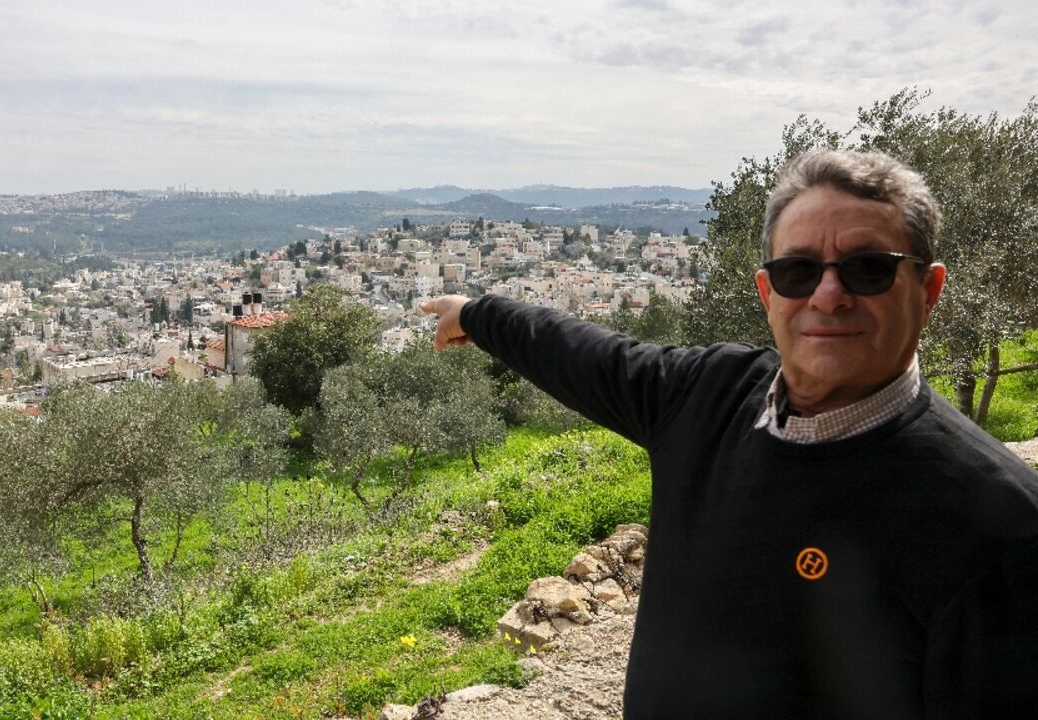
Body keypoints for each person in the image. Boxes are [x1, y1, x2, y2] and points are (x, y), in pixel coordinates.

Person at [421, 150, 1038, 719]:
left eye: (868, 269)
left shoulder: (1001, 524)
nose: (829, 294)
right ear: (768, 294)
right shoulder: (709, 393)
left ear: (928, 290)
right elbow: (584, 355)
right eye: (799, 272)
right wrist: (475, 313)